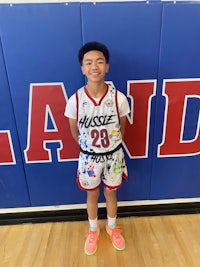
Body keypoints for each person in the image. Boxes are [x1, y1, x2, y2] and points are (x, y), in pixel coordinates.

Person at [64, 41, 130, 255]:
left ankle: (112, 227)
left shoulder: (118, 97)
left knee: (111, 194)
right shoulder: (75, 100)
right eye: (89, 62)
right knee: (92, 195)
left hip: (113, 156)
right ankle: (93, 230)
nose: (95, 67)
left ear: (107, 67)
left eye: (100, 62)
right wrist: (90, 149)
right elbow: (74, 131)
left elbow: (122, 128)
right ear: (83, 68)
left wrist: (111, 147)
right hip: (90, 158)